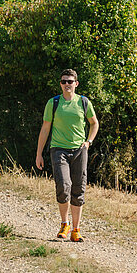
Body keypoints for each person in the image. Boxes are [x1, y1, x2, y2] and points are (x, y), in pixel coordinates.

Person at [34, 69, 99, 242]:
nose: (67, 84)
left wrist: (88, 142)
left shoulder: (84, 102)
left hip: (79, 150)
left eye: (70, 81)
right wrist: (39, 153)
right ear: (60, 84)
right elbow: (45, 128)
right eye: (64, 82)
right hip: (58, 149)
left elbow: (94, 124)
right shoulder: (53, 103)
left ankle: (76, 229)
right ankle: (65, 223)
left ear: (76, 84)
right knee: (63, 186)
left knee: (78, 189)